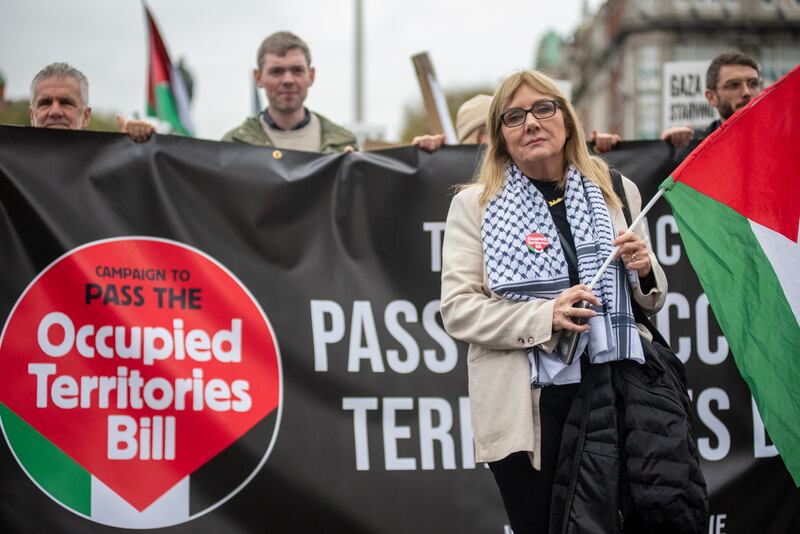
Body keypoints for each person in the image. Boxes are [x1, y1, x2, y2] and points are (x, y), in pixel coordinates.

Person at [439, 70, 668, 532]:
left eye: (544, 109)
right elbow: (458, 309)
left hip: (618, 392)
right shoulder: (474, 205)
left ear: (567, 120)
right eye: (514, 116)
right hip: (532, 410)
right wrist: (546, 316)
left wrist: (644, 268)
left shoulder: (616, 190)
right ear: (501, 137)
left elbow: (651, 296)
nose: (531, 123)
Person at [222, 31, 357, 154]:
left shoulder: (344, 146)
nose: (288, 80)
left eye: (297, 70)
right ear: (258, 77)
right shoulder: (231, 147)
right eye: (277, 71)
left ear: (311, 75)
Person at [29, 62, 154, 143]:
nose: (55, 111)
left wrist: (141, 144)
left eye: (66, 102)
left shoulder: (110, 162)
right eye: (45, 103)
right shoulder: (9, 168)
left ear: (86, 116)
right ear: (32, 115)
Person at [661, 51, 763, 148]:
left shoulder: (777, 136)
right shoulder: (696, 146)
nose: (747, 92)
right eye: (734, 85)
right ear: (711, 97)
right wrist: (668, 147)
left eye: (753, 84)